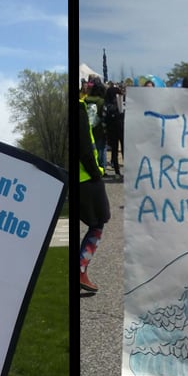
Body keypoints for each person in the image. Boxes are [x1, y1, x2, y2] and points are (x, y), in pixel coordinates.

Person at [78, 92, 110, 293]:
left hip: (83, 176)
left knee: (95, 222)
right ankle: (80, 269)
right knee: (98, 222)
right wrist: (96, 171)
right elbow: (84, 146)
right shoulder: (79, 107)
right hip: (86, 177)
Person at [103, 84, 125, 177]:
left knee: (114, 151)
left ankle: (117, 172)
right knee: (124, 150)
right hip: (122, 129)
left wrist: (105, 132)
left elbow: (104, 119)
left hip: (111, 131)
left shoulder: (106, 105)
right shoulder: (121, 104)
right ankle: (127, 170)